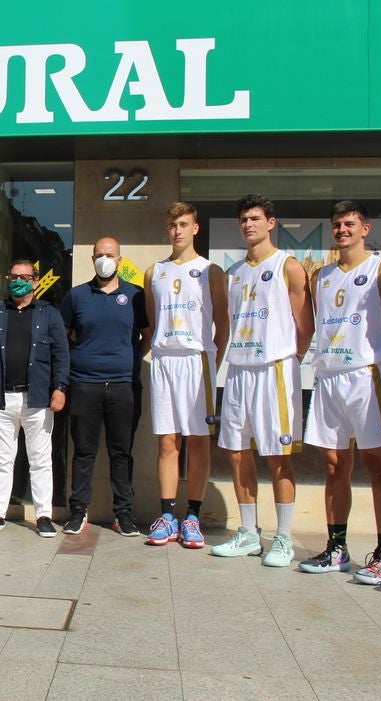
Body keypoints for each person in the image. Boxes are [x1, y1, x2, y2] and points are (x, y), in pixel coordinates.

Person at [299, 201, 381, 582]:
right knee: (333, 465)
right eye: (337, 224)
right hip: (329, 377)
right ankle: (337, 548)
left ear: (365, 228)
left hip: (367, 377)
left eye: (349, 224)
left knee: (378, 465)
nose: (342, 230)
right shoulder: (321, 276)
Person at [211, 194, 312, 566]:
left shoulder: (289, 266)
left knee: (278, 455)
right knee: (237, 454)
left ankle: (283, 538)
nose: (248, 225)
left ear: (271, 222)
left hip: (275, 369)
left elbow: (305, 326)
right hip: (239, 369)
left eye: (255, 218)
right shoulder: (233, 271)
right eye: (243, 220)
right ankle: (249, 533)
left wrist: (288, 357)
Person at [141, 203, 227, 548]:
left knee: (199, 440)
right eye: (172, 224)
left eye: (183, 224)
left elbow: (224, 324)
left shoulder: (211, 270)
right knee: (167, 441)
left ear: (195, 228)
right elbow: (151, 321)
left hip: (197, 360)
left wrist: (212, 360)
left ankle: (193, 515)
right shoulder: (154, 272)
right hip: (164, 359)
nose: (177, 230)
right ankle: (167, 515)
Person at [0, 259, 69, 538]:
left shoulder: (49, 314)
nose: (18, 280)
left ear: (35, 281)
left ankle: (43, 516)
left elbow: (61, 354)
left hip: (37, 399)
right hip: (2, 398)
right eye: (13, 276)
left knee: (40, 459)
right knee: (1, 459)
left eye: (24, 276)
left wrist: (60, 387)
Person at [58, 237, 148, 535]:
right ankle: (78, 510)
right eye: (99, 255)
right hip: (84, 384)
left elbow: (146, 336)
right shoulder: (76, 296)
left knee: (121, 452)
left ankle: (124, 513)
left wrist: (128, 359)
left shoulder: (136, 295)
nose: (104, 259)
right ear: (91, 258)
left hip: (124, 386)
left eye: (109, 255)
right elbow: (63, 337)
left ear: (120, 260)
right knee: (84, 451)